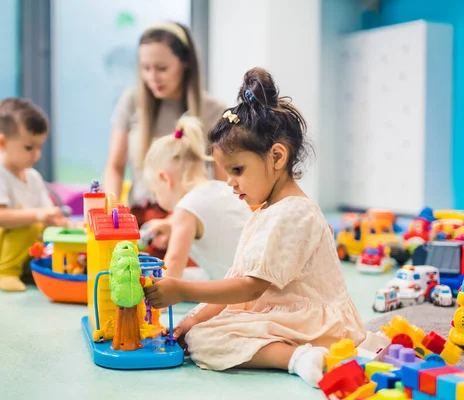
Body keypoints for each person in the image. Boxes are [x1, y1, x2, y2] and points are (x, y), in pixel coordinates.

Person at [143, 68, 366, 386]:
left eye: (237, 170)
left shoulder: (295, 213)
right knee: (201, 333)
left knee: (207, 342)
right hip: (283, 309)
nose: (230, 183)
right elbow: (237, 281)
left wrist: (182, 290)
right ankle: (293, 351)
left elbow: (250, 287)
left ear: (276, 156)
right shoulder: (265, 210)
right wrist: (192, 318)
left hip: (315, 323)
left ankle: (299, 357)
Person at [103, 21, 227, 232]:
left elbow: (223, 184)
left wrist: (179, 224)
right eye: (145, 68)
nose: (152, 77)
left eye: (162, 68)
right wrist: (112, 214)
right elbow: (115, 166)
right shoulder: (131, 101)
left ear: (185, 62)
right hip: (140, 220)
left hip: (192, 222)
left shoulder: (214, 111)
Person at [0, 98, 71, 292]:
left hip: (17, 243)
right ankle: (5, 271)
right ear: (1, 143)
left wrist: (66, 225)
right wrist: (38, 215)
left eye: (40, 147)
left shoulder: (33, 177)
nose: (37, 155)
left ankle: (25, 268)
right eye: (29, 148)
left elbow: (46, 214)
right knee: (32, 224)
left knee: (44, 231)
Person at [143, 116, 252, 281]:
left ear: (165, 179)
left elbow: (172, 271)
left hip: (237, 292)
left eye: (154, 191)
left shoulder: (186, 208)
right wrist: (170, 226)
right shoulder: (224, 188)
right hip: (256, 282)